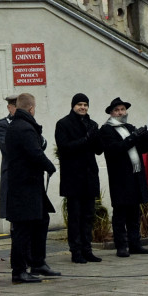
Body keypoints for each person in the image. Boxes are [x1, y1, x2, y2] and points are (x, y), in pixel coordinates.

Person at [4, 92, 60, 284]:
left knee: (41, 220)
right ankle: (19, 271)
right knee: (22, 229)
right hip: (25, 188)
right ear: (31, 108)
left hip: (27, 186)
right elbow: (35, 153)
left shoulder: (15, 126)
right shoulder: (25, 128)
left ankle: (38, 262)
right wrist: (50, 166)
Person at [99, 97, 148, 257]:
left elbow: (141, 149)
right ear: (111, 113)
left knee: (134, 213)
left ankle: (135, 244)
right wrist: (134, 137)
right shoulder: (106, 130)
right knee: (120, 213)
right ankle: (121, 246)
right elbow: (116, 149)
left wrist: (146, 136)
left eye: (122, 109)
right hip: (120, 177)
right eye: (117, 110)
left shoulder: (129, 127)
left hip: (135, 175)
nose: (120, 112)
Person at [55, 92, 104, 264]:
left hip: (89, 176)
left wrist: (98, 137)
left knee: (88, 215)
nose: (83, 107)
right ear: (73, 106)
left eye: (85, 104)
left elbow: (98, 150)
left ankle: (87, 249)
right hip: (73, 177)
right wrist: (86, 139)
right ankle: (76, 251)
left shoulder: (92, 124)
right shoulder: (63, 124)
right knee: (75, 216)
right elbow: (65, 148)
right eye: (79, 104)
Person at [0, 94, 17, 219]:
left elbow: (41, 144)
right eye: (17, 107)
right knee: (14, 214)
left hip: (29, 176)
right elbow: (7, 148)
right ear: (9, 108)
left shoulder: (30, 123)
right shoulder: (3, 125)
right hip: (12, 172)